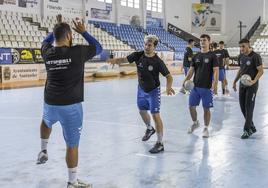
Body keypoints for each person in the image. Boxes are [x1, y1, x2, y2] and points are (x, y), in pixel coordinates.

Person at [36, 15, 102, 188]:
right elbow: (99, 48)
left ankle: (43, 149)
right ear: (68, 36)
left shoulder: (47, 52)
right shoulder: (78, 51)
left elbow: (45, 41)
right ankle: (72, 182)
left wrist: (56, 28)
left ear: (55, 36)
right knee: (72, 145)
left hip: (50, 101)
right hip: (71, 106)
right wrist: (84, 32)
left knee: (46, 120)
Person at [107, 35, 175, 153]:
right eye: (145, 44)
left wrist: (169, 88)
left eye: (150, 45)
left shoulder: (158, 62)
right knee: (142, 111)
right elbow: (124, 60)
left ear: (154, 47)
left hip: (153, 91)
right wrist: (115, 60)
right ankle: (149, 128)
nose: (147, 47)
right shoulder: (138, 55)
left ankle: (160, 143)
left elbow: (169, 76)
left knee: (155, 115)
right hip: (141, 90)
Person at [182, 34, 219, 138]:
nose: (202, 42)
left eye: (205, 40)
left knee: (206, 109)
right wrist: (185, 81)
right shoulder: (196, 56)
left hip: (207, 88)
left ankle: (206, 128)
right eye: (201, 40)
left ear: (209, 42)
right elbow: (191, 71)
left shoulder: (212, 56)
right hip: (195, 87)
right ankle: (195, 123)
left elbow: (216, 71)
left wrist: (215, 84)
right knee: (191, 107)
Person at [233, 39, 263, 139]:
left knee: (249, 107)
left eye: (243, 46)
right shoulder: (240, 56)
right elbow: (241, 70)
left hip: (252, 86)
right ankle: (252, 126)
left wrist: (254, 81)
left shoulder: (255, 56)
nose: (241, 48)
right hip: (242, 85)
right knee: (242, 107)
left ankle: (247, 130)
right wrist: (235, 81)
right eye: (240, 46)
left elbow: (261, 71)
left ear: (248, 45)